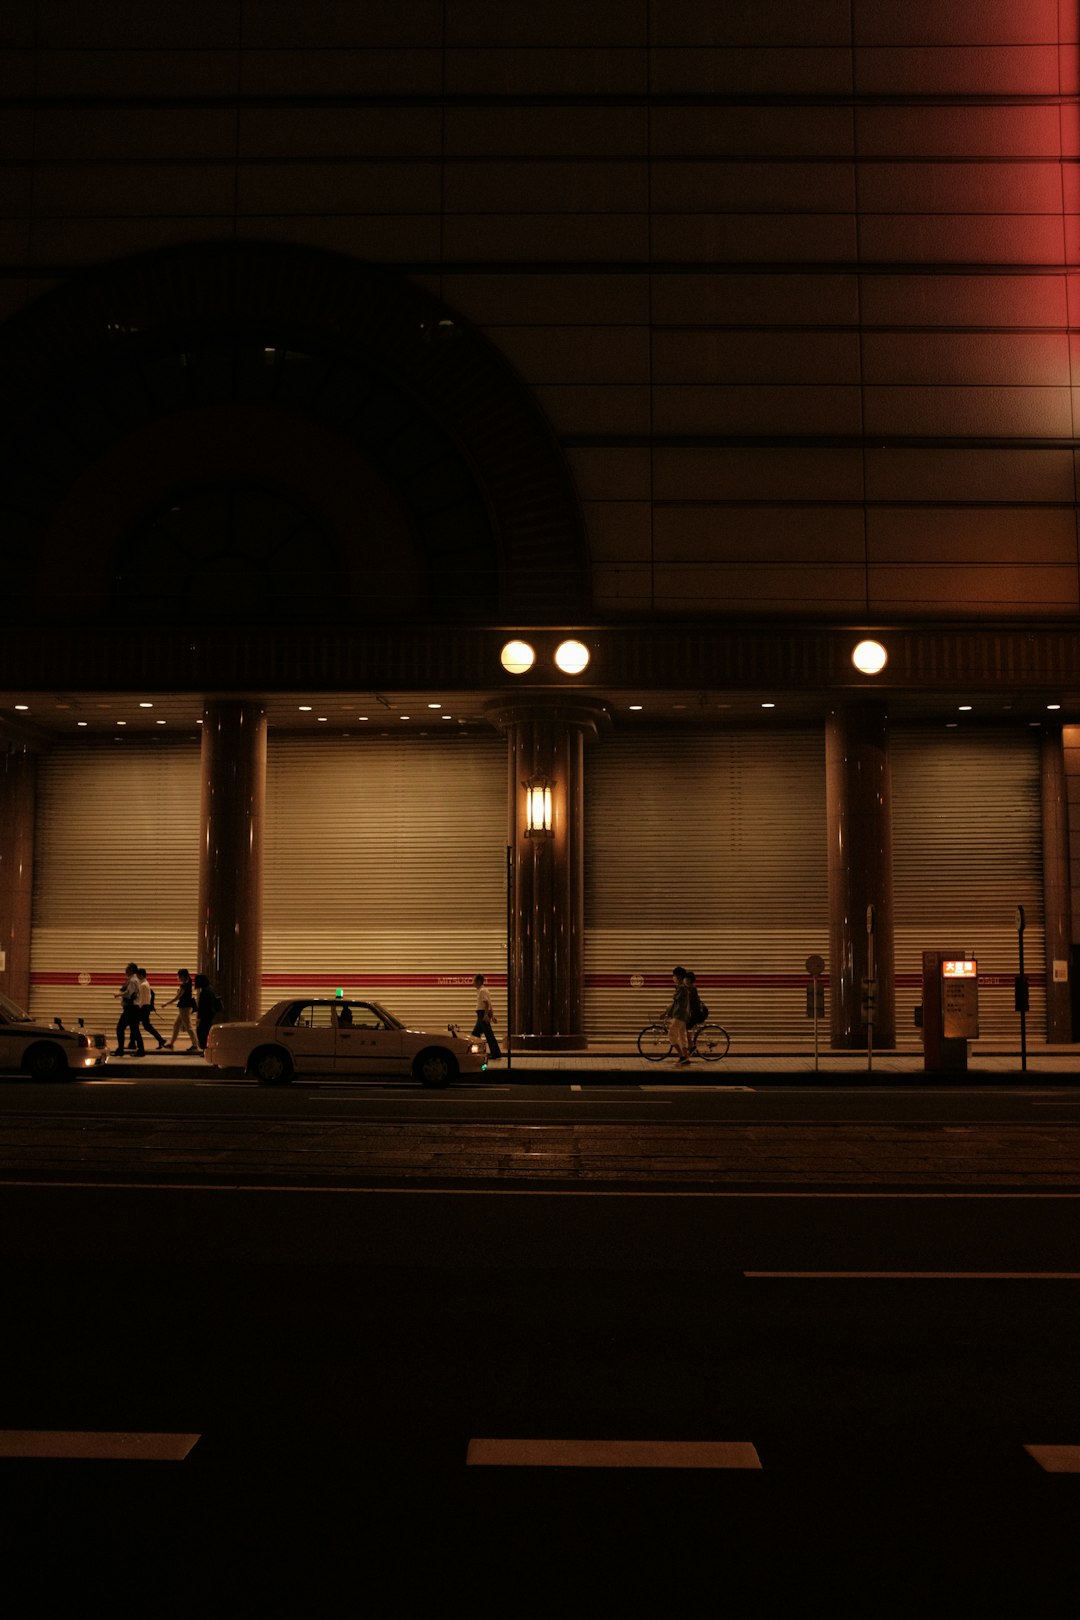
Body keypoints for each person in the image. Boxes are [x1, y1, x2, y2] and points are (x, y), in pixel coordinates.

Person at [162, 968, 199, 1051]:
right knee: (176, 1024)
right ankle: (171, 1044)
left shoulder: (184, 985)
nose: (179, 977)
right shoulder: (189, 982)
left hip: (184, 1008)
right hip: (185, 1007)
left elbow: (177, 997)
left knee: (188, 1026)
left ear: (183, 976)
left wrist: (166, 1004)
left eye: (179, 976)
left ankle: (195, 1044)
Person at [113, 961, 144, 1057]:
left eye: (127, 968)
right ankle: (141, 1050)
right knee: (134, 1029)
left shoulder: (132, 980)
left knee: (120, 1028)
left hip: (130, 1008)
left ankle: (120, 1049)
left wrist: (118, 994)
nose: (125, 970)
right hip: (133, 1008)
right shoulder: (133, 979)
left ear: (131, 970)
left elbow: (129, 993)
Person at [664, 965, 691, 1067]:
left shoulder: (682, 988)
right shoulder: (682, 988)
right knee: (682, 1036)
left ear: (679, 976)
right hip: (682, 1016)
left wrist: (668, 1013)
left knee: (671, 1035)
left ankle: (682, 1056)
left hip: (679, 1016)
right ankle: (686, 1057)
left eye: (674, 975)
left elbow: (677, 1004)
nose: (673, 977)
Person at [472, 973, 501, 1061]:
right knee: (476, 1035)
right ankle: (493, 1053)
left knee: (485, 1035)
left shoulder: (482, 991)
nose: (473, 982)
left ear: (479, 981)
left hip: (482, 1015)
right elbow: (489, 1004)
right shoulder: (484, 990)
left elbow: (487, 1003)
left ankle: (495, 1053)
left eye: (474, 980)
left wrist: (485, 1016)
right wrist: (492, 1016)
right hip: (482, 1014)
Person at [136, 967, 166, 1049]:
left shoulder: (143, 985)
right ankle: (161, 1040)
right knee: (146, 1026)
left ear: (141, 975)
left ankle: (161, 1040)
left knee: (136, 1025)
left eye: (137, 975)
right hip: (146, 1007)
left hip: (143, 1008)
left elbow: (142, 999)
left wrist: (138, 1007)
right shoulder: (146, 983)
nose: (137, 977)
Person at [193, 973, 223, 1052]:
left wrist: (199, 1018)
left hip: (206, 1015)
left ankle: (205, 1049)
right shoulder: (209, 989)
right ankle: (205, 1050)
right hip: (210, 1014)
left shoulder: (205, 992)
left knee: (201, 1032)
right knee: (205, 1032)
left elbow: (203, 1006)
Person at [685, 970, 707, 1051]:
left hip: (696, 1013)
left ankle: (691, 1045)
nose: (685, 980)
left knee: (686, 1027)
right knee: (686, 1027)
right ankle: (690, 1044)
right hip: (694, 1012)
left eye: (686, 978)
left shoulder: (692, 988)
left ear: (689, 979)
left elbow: (690, 1002)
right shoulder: (689, 988)